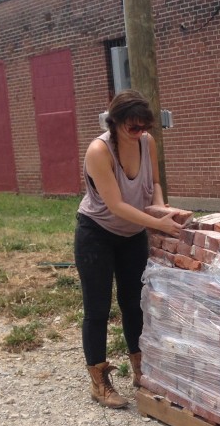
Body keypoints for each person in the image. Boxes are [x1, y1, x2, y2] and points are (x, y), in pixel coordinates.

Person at [75, 90, 184, 409]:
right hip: (97, 233)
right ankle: (99, 381)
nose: (139, 133)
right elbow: (116, 204)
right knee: (97, 308)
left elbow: (155, 184)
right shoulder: (99, 151)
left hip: (133, 233)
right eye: (132, 128)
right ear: (116, 123)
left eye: (143, 127)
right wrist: (160, 225)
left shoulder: (146, 142)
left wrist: (160, 211)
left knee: (134, 303)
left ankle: (140, 369)